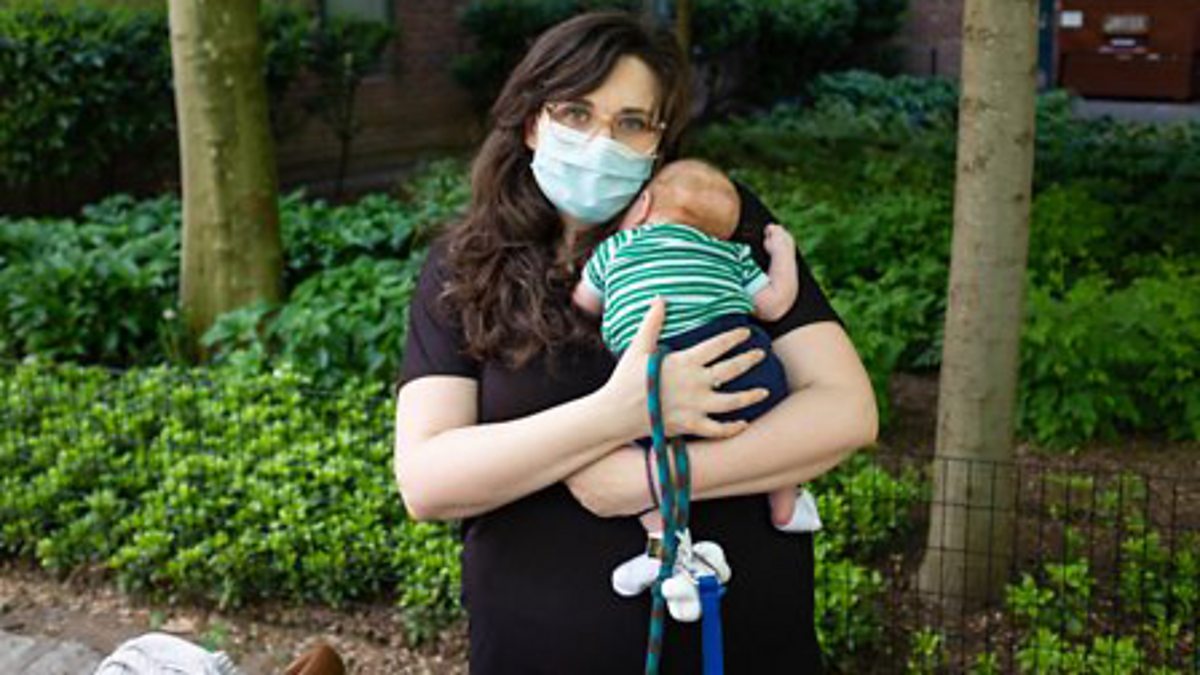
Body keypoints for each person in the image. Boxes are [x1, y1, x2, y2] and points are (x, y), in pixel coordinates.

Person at [393, 10, 877, 673]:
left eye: (631, 122)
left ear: (659, 141)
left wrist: (651, 479)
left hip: (739, 645)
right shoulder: (464, 268)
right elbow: (428, 479)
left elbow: (847, 410)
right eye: (575, 112)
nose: (601, 142)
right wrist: (617, 414)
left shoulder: (716, 224)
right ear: (532, 122)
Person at [570, 159, 824, 598]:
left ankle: (665, 546)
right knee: (772, 417)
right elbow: (776, 305)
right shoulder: (730, 254)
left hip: (657, 378)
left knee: (635, 448)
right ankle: (785, 500)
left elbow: (582, 304)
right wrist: (782, 251)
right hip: (740, 362)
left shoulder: (617, 246)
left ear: (642, 205)